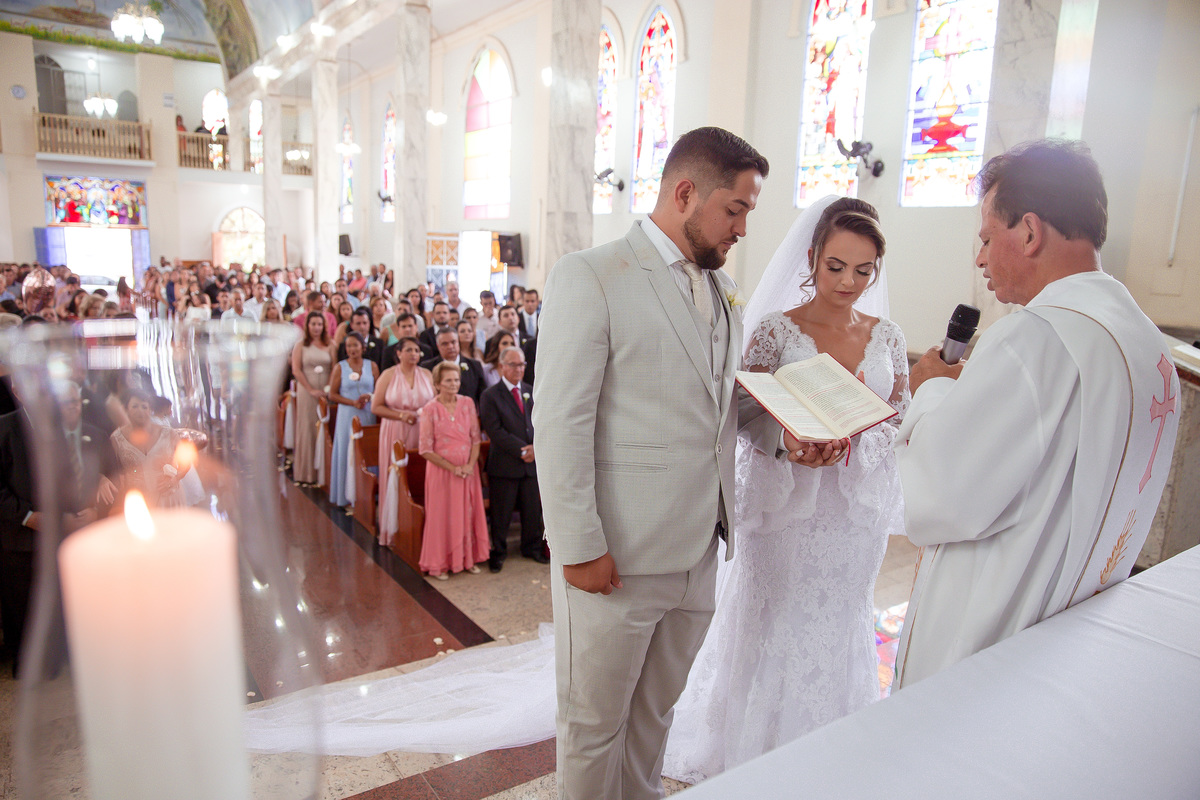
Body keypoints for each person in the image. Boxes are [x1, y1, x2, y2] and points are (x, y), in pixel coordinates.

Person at [534, 126, 780, 799]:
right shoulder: (591, 275)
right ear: (684, 192)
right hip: (618, 554)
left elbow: (717, 405)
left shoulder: (723, 292)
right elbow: (560, 421)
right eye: (736, 210)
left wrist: (790, 433)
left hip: (699, 548)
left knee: (654, 716)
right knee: (593, 725)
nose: (742, 229)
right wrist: (579, 546)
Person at [894, 139, 1181, 688]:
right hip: (1073, 636)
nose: (980, 259)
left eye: (985, 239)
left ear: (1028, 231)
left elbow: (940, 494)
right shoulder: (1147, 342)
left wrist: (931, 391)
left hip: (993, 640)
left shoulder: (1033, 338)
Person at [663, 196, 909, 783]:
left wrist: (856, 441)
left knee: (841, 616)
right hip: (789, 508)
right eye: (836, 266)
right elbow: (744, 408)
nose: (849, 281)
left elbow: (898, 415)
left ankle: (830, 747)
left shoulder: (889, 337)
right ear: (813, 258)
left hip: (854, 514)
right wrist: (789, 438)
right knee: (778, 618)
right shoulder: (777, 331)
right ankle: (757, 749)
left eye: (863, 270)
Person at [417, 361, 489, 580]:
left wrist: (468, 465)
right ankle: (441, 562)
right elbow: (425, 449)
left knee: (467, 512)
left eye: (456, 379)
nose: (453, 384)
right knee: (443, 516)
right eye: (448, 380)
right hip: (442, 472)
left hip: (468, 471)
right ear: (438, 383)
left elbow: (476, 439)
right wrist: (453, 468)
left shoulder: (468, 403)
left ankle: (467, 559)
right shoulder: (429, 409)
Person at [479, 346, 545, 573]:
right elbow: (494, 430)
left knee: (532, 509)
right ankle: (498, 552)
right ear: (501, 367)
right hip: (505, 464)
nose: (519, 369)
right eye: (514, 365)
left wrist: (536, 448)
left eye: (522, 364)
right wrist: (522, 449)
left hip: (531, 463)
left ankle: (532, 547)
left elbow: (541, 422)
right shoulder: (490, 395)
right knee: (501, 512)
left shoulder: (530, 390)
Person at [372, 336, 435, 521]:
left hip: (422, 428)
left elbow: (434, 402)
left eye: (416, 350)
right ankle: (395, 521)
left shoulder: (426, 374)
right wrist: (401, 415)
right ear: (398, 353)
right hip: (395, 429)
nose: (414, 354)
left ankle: (419, 519)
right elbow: (376, 407)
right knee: (397, 473)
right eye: (409, 350)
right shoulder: (389, 375)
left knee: (419, 473)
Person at [110, 389, 192, 507]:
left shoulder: (168, 434)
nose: (140, 411)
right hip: (139, 502)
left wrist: (175, 479)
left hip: (169, 497)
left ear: (150, 410)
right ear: (126, 409)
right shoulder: (117, 439)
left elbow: (186, 462)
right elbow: (116, 473)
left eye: (144, 407)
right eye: (135, 406)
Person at [328, 332, 379, 508]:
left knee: (366, 452)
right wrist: (352, 402)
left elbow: (378, 391)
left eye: (355, 345)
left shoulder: (372, 366)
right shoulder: (340, 367)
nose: (352, 349)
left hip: (367, 414)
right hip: (347, 415)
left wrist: (370, 396)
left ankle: (368, 494)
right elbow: (332, 394)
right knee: (346, 452)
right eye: (348, 346)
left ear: (362, 347)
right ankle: (345, 495)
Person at [290, 311, 336, 486]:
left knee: (324, 428)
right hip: (307, 389)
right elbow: (296, 369)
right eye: (313, 324)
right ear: (307, 326)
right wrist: (310, 389)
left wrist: (328, 388)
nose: (316, 327)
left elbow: (334, 368)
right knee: (308, 428)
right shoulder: (301, 345)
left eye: (319, 324)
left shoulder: (330, 344)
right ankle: (307, 473)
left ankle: (325, 474)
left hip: (325, 389)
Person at [421, 328, 486, 405]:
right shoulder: (428, 367)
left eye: (453, 342)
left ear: (458, 343)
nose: (450, 346)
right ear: (438, 346)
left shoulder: (474, 366)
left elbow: (482, 395)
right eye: (445, 344)